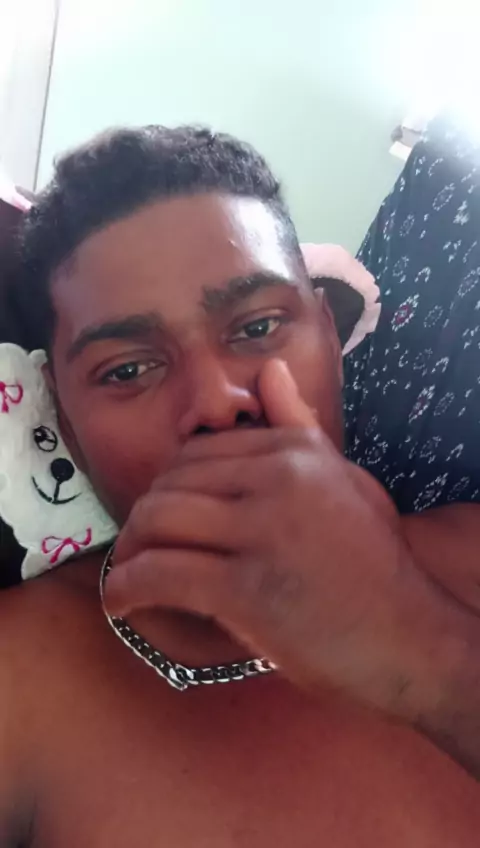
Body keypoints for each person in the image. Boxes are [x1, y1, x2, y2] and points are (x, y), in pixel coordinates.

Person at [1, 126, 480, 848]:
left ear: (329, 336)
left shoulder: (469, 562)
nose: (217, 402)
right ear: (63, 420)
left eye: (257, 327)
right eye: (128, 369)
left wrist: (420, 648)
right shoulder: (20, 678)